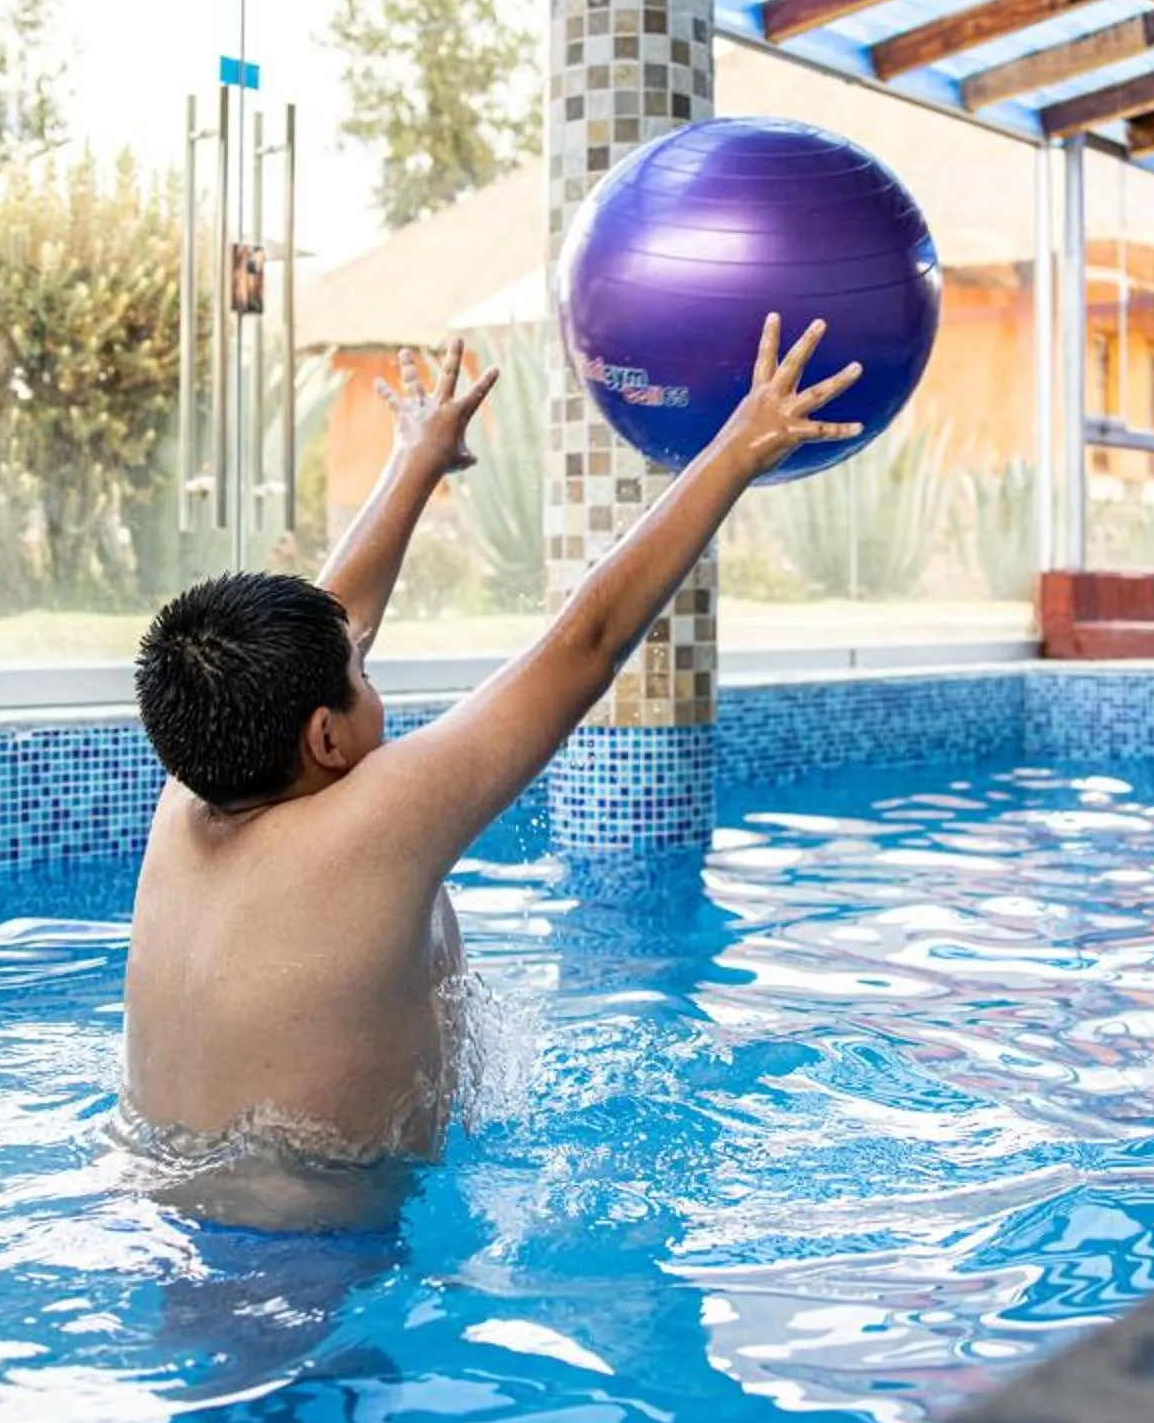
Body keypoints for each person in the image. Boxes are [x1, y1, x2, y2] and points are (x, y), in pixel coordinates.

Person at [122, 315, 863, 1228]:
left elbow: (335, 620)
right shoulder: (367, 829)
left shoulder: (194, 779)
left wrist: (417, 461)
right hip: (313, 1262)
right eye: (363, 677)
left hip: (159, 1208)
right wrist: (735, 452)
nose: (371, 677)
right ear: (325, 739)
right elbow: (584, 646)